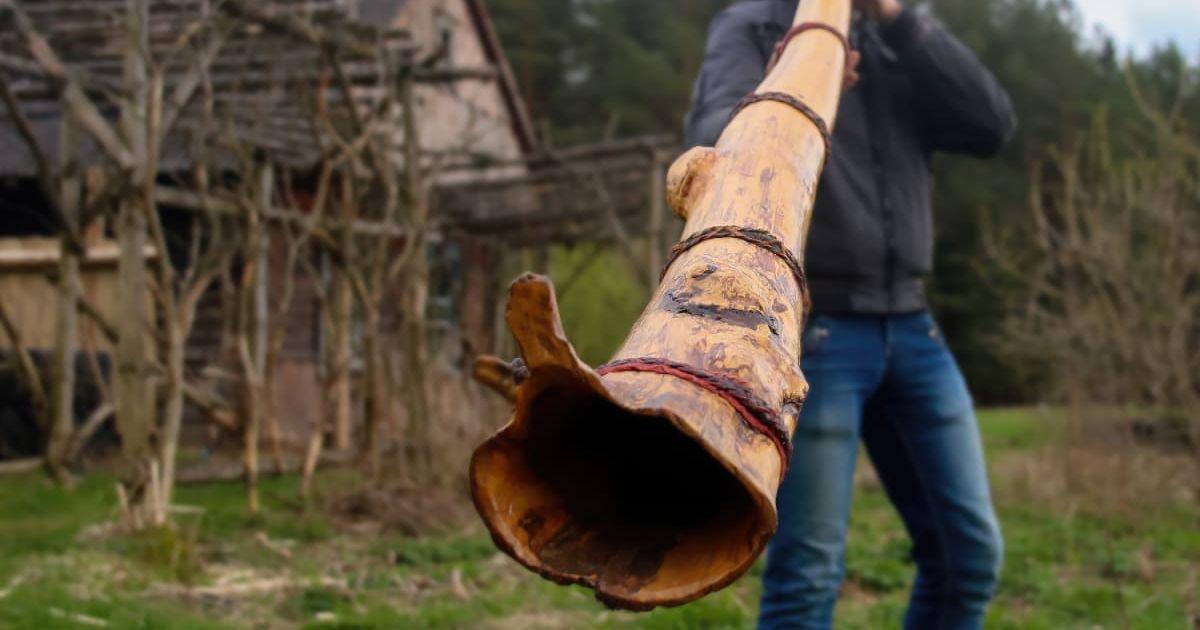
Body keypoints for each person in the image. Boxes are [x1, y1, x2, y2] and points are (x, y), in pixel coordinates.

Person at [684, 0, 1017, 628]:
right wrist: (798, 82)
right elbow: (714, 142)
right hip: (816, 332)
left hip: (913, 324)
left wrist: (900, 20)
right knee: (808, 576)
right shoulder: (753, 24)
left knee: (968, 559)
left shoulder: (895, 36)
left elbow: (991, 125)